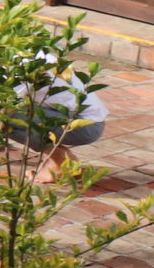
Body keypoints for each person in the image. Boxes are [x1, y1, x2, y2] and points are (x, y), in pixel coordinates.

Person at [17, 50, 109, 184]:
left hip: (84, 127)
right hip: (87, 119)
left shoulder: (17, 65)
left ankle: (59, 163)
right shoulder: (30, 52)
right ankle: (61, 159)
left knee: (6, 114)